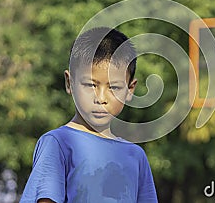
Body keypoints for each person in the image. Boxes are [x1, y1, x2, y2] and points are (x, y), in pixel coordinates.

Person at [20, 27, 158, 203]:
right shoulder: (58, 144)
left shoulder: (136, 157)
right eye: (91, 85)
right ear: (70, 83)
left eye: (114, 87)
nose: (100, 98)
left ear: (130, 89)